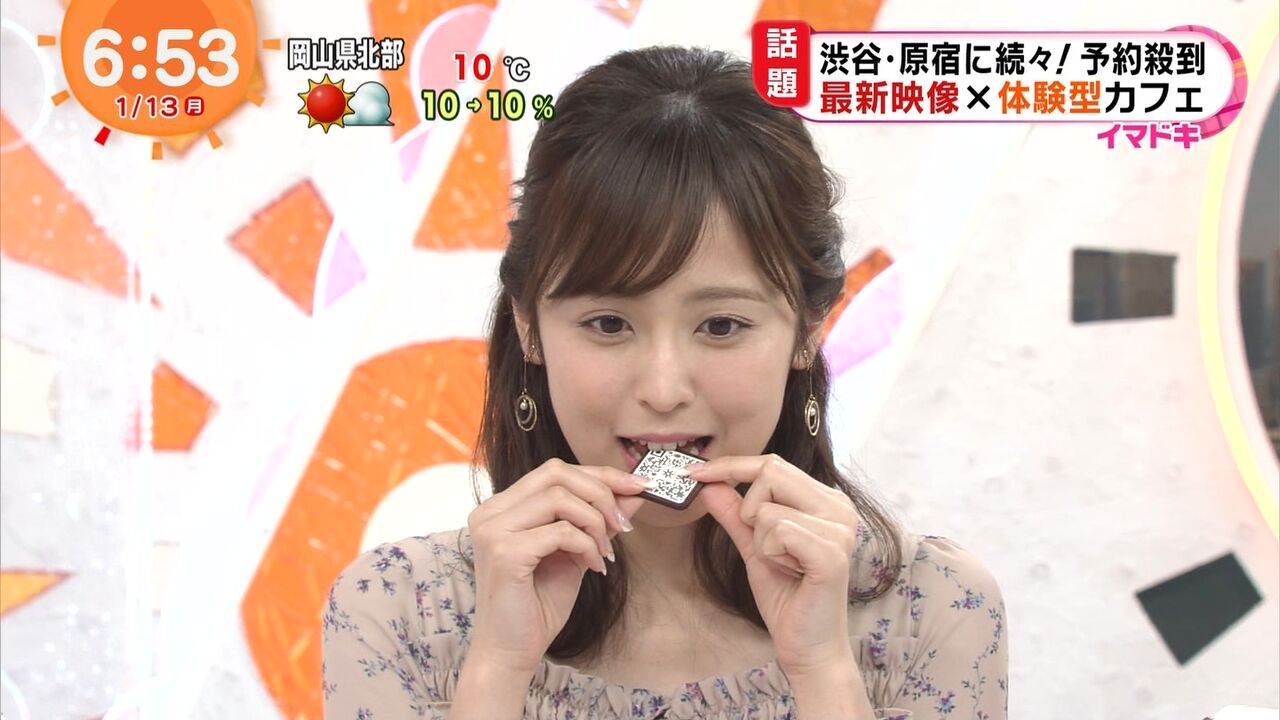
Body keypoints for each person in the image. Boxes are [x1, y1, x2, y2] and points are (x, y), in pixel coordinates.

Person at [322, 45, 1008, 719]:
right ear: (530, 327)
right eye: (609, 323)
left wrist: (823, 670)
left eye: (721, 326)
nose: (663, 388)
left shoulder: (935, 611)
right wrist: (498, 669)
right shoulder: (396, 614)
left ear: (806, 330)